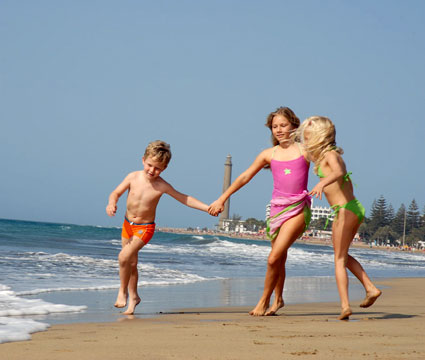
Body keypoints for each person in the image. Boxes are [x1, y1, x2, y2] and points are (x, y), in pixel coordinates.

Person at [208, 107, 311, 316]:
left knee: (273, 258)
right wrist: (222, 198)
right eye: (275, 127)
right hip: (276, 210)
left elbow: (329, 162)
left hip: (298, 207)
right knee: (279, 259)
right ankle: (279, 299)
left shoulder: (305, 150)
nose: (279, 130)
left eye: (283, 125)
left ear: (294, 125)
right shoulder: (269, 154)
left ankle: (263, 301)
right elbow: (245, 177)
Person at [106, 140, 210, 315]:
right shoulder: (132, 177)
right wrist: (112, 202)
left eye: (158, 168)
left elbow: (184, 198)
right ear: (143, 160)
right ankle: (134, 299)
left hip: (144, 228)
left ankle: (121, 292)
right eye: (149, 165)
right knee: (131, 263)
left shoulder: (162, 186)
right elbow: (115, 192)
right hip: (127, 224)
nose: (152, 171)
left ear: (164, 168)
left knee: (123, 257)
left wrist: (207, 208)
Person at [298, 116, 382, 320]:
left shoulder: (331, 155)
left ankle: (345, 306)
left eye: (308, 137)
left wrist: (321, 184)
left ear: (320, 137)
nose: (305, 141)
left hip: (347, 209)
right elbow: (302, 152)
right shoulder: (321, 156)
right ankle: (370, 288)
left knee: (338, 259)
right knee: (341, 255)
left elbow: (339, 171)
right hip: (345, 209)